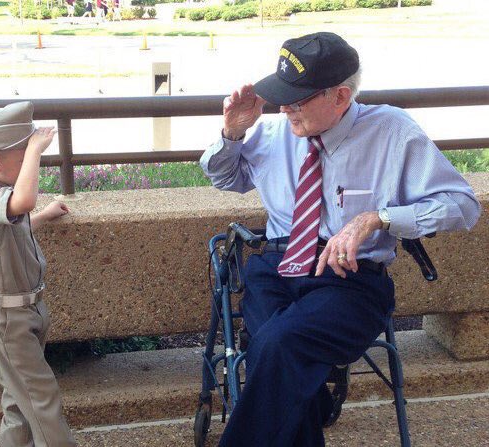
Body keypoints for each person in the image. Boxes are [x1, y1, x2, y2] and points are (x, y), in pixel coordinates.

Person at [200, 32, 481, 446]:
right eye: (282, 97)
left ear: (341, 96)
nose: (285, 109)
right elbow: (226, 177)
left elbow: (462, 206)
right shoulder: (275, 132)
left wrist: (379, 218)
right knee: (280, 357)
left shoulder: (391, 131)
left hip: (350, 278)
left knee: (275, 346)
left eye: (298, 99)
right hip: (275, 266)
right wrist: (232, 135)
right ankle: (314, 401)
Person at [0, 102, 78, 447]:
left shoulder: (3, 203)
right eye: (23, 160)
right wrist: (36, 145)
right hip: (9, 318)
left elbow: (18, 223)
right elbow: (23, 202)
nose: (30, 166)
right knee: (42, 398)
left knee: (18, 401)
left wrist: (45, 215)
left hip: (26, 311)